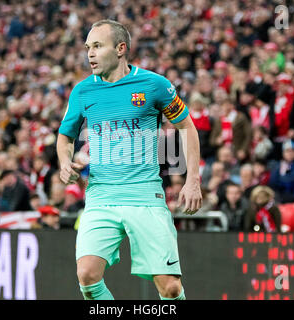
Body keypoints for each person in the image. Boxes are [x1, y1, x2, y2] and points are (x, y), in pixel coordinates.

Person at [57, 20, 202, 300]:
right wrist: (65, 163)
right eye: (88, 48)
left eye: (97, 46)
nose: (90, 54)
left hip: (146, 196)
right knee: (87, 274)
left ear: (121, 48)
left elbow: (187, 127)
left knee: (170, 288)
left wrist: (192, 180)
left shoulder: (154, 85)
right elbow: (65, 138)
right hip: (101, 197)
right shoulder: (82, 91)